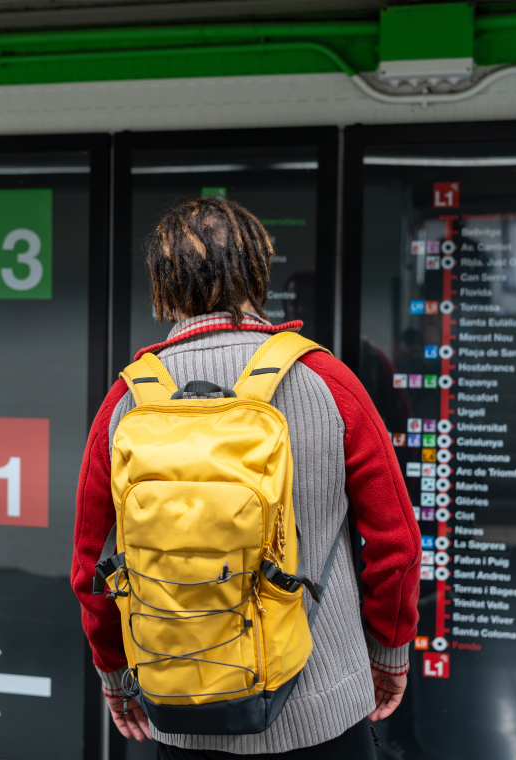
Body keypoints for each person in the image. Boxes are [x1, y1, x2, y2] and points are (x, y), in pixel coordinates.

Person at [71, 197, 421, 758]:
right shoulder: (328, 381)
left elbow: (90, 567)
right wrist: (388, 654)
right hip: (324, 708)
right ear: (259, 270)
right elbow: (396, 546)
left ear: (163, 282)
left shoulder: (126, 400)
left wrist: (116, 677)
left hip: (181, 703)